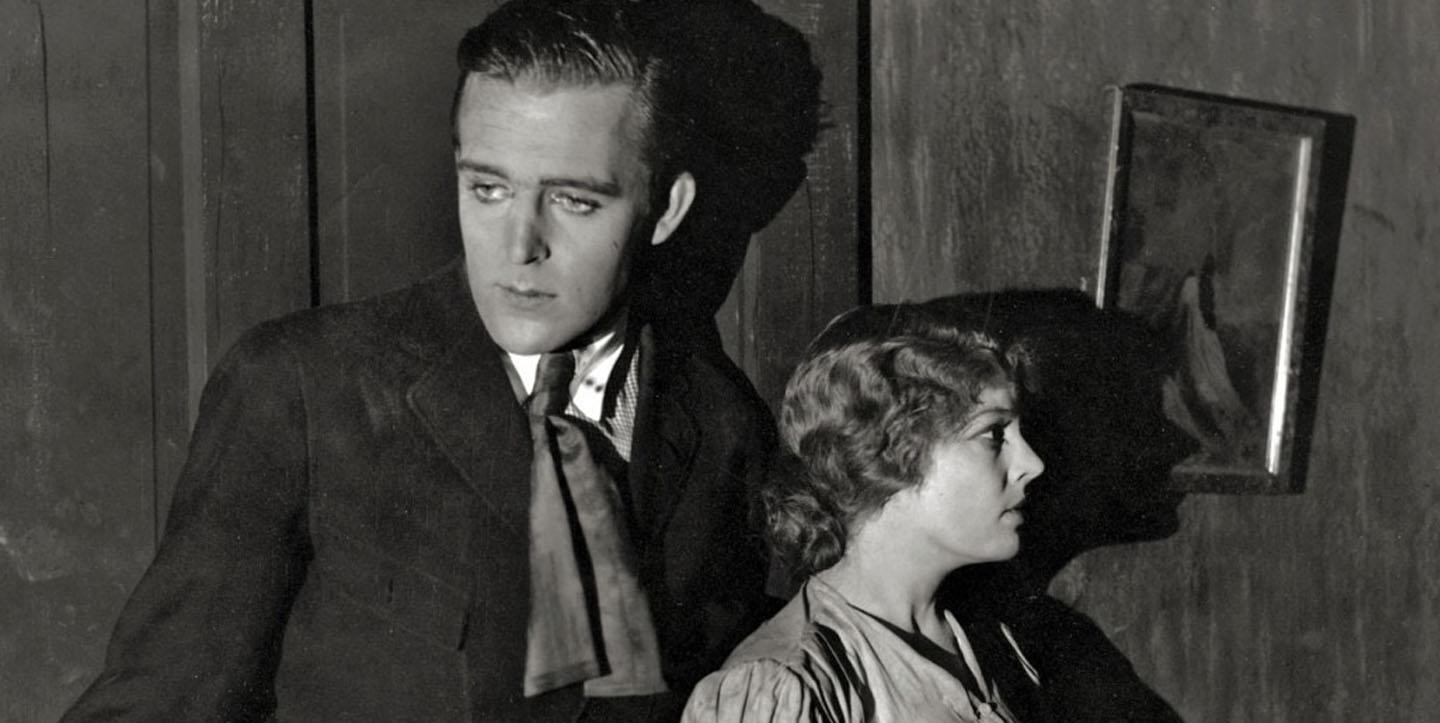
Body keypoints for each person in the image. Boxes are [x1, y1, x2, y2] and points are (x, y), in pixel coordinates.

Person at [63, 1, 818, 720]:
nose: (519, 245)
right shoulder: (300, 386)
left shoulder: (721, 424)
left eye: (576, 202)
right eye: (487, 189)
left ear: (668, 208)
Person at [682, 306, 1048, 722]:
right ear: (888, 451)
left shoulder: (991, 640)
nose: (1032, 463)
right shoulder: (786, 686)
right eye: (994, 434)